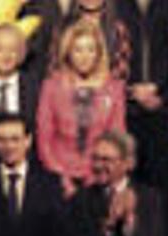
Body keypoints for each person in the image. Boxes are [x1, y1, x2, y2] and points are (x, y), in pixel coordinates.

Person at [36, 20, 126, 200]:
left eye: (90, 49)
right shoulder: (52, 86)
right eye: (78, 49)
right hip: (58, 175)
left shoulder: (114, 88)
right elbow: (44, 139)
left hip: (99, 176)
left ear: (99, 53)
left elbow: (116, 139)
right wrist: (62, 179)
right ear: (68, 52)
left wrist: (96, 177)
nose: (84, 56)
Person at [117, 0, 168, 192]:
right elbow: (108, 51)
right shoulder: (115, 4)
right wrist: (130, 90)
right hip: (125, 109)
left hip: (162, 107)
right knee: (126, 185)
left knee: (159, 185)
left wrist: (160, 90)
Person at [0, 24, 42, 128]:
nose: (6, 56)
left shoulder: (34, 87)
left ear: (21, 53)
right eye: (0, 49)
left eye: (12, 50)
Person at [56, 0, 133, 80]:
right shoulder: (63, 26)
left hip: (108, 89)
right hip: (67, 88)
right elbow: (55, 66)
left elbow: (122, 72)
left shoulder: (118, 29)